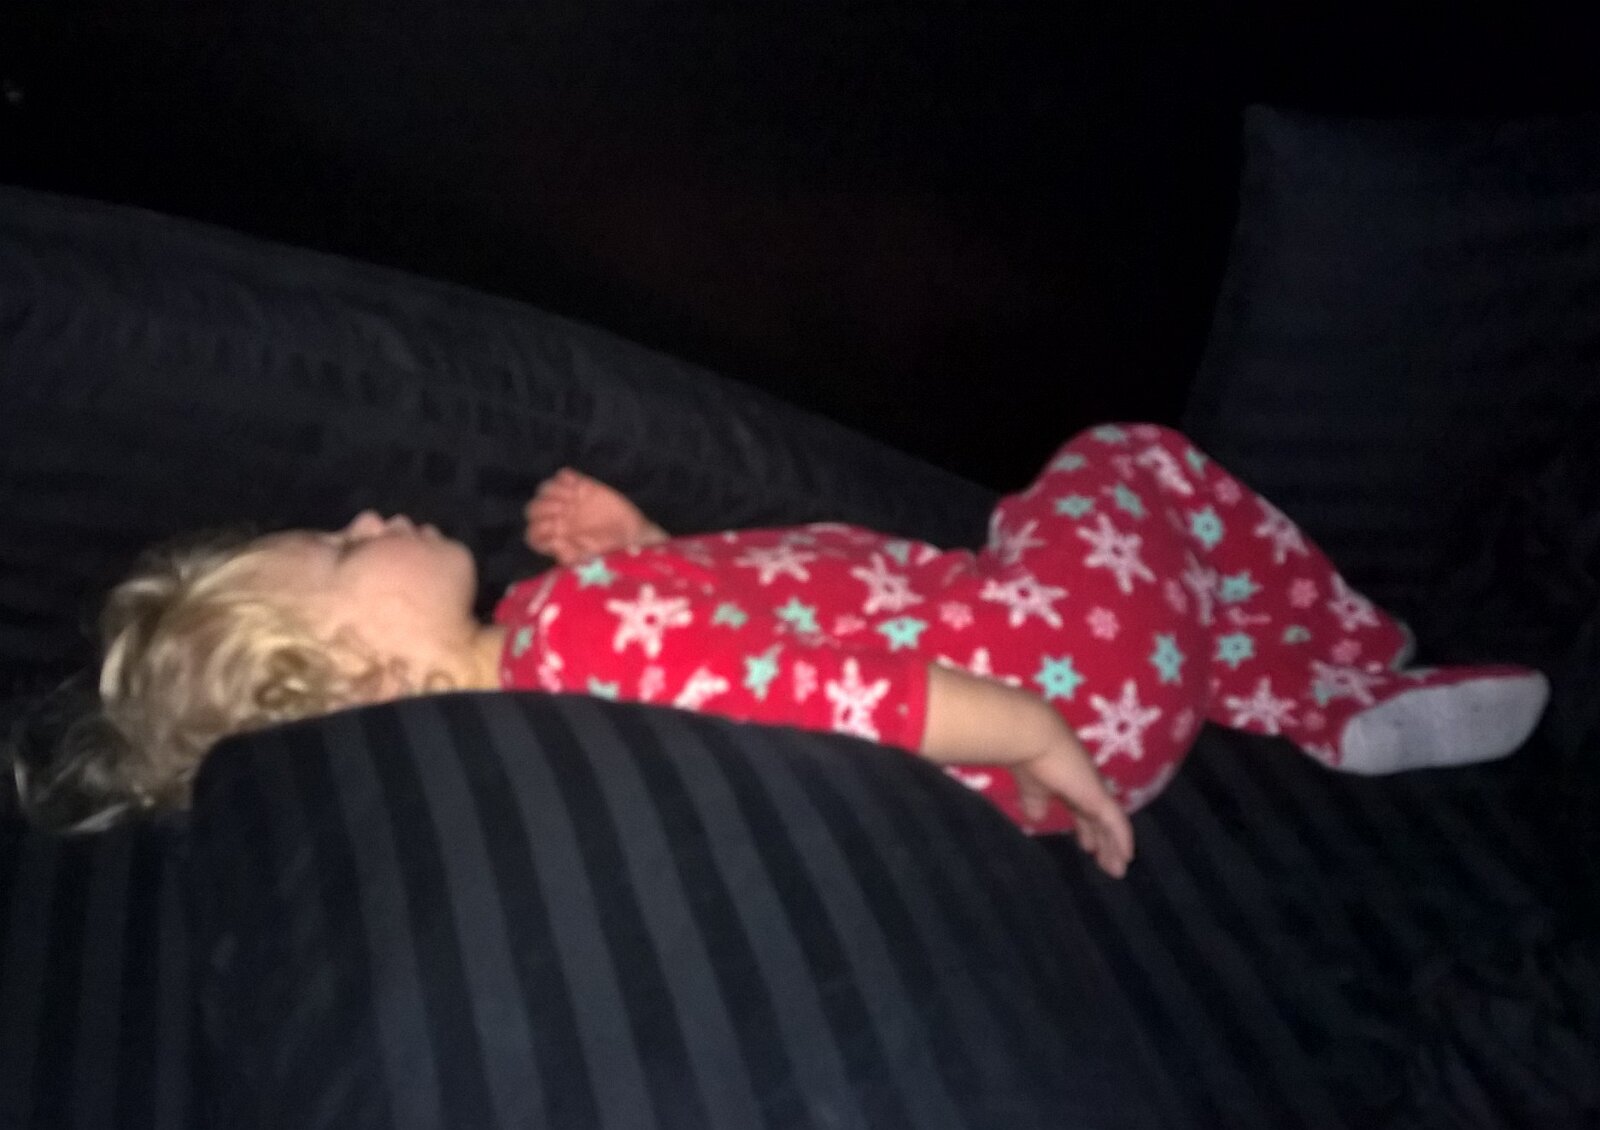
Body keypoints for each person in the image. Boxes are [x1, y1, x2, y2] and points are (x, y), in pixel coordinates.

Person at [13, 424, 1550, 876]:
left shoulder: (558, 659)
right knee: (1122, 464)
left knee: (1157, 591)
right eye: (346, 551)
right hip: (1041, 681)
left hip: (1075, 714)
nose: (363, 514)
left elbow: (741, 647)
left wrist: (642, 544)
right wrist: (1037, 729)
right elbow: (837, 688)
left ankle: (1294, 696)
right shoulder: (576, 640)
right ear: (371, 683)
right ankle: (1357, 666)